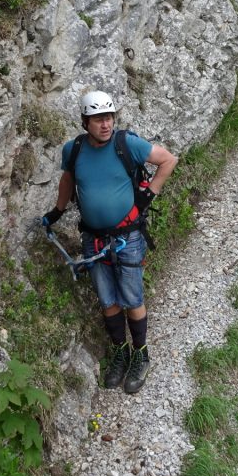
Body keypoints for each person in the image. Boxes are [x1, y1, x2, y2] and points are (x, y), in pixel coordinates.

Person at [41, 90, 178, 394]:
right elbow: (67, 180)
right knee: (107, 299)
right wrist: (57, 211)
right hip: (93, 237)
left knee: (131, 296)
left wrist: (148, 194)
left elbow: (168, 160)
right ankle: (120, 351)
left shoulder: (125, 143)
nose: (105, 124)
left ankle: (141, 353)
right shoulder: (73, 150)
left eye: (109, 117)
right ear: (85, 121)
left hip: (126, 236)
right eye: (98, 119)